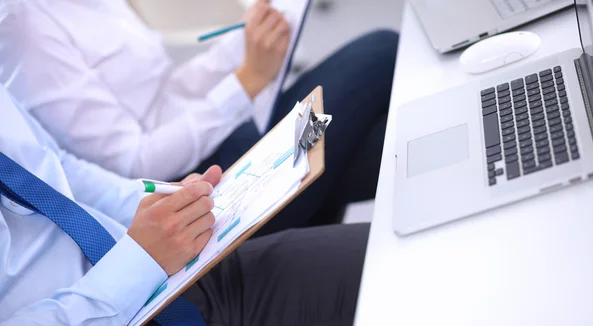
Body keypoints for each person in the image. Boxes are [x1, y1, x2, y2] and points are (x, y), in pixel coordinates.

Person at [0, 85, 367, 326]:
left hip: (182, 279)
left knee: (391, 266)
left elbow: (55, 169)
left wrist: (165, 205)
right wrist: (139, 261)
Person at [0, 0, 398, 234]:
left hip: (228, 144)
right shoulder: (24, 28)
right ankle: (285, 216)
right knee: (380, 52)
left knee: (366, 143)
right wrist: (246, 81)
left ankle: (301, 209)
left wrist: (244, 47)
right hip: (206, 187)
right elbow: (133, 162)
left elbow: (161, 95)